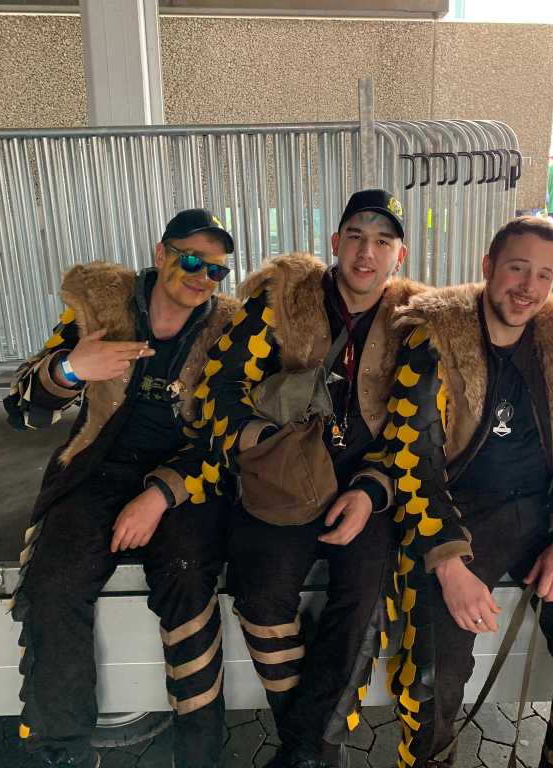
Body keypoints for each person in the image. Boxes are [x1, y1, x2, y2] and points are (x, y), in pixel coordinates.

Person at [170, 189, 422, 768]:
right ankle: (309, 742)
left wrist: (372, 490)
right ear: (335, 243)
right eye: (355, 237)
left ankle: (304, 750)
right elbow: (219, 385)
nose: (366, 253)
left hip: (366, 488)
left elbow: (420, 427)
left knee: (363, 600)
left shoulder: (414, 322)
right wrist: (260, 440)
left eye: (382, 241)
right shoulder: (283, 302)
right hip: (282, 482)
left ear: (399, 255)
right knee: (259, 596)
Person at [359, 216, 553, 767]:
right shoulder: (435, 336)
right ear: (489, 266)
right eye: (517, 268)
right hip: (460, 513)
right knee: (434, 666)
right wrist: (449, 565)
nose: (529, 287)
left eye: (544, 275)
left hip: (547, 512)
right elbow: (414, 461)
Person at [4, 209, 242, 768]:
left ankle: (200, 757)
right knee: (53, 583)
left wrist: (159, 494)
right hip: (99, 470)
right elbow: (20, 409)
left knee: (188, 578)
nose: (203, 277)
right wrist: (71, 369)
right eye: (191, 260)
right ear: (161, 254)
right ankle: (65, 750)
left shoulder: (229, 330)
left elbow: (229, 435)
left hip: (184, 476)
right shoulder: (100, 311)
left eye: (216, 270)